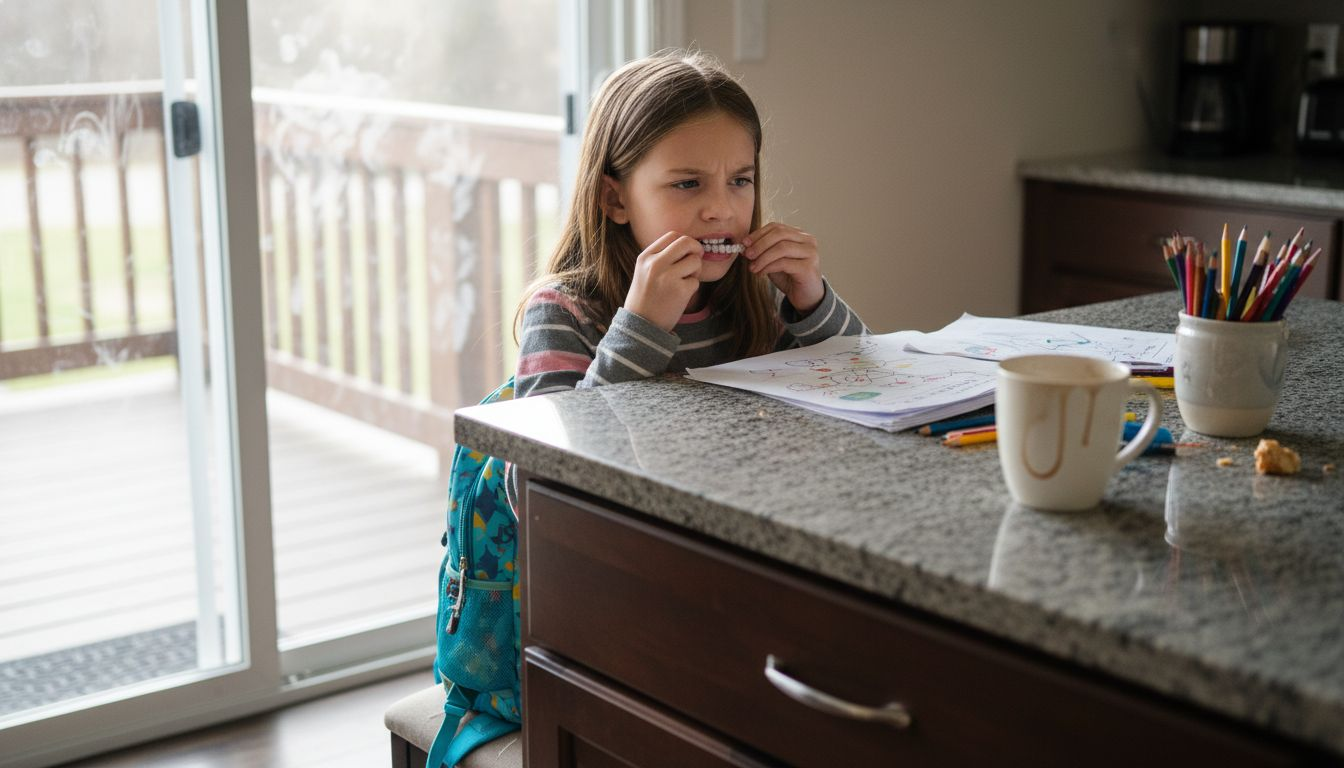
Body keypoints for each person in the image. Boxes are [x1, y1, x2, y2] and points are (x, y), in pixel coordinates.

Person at [513, 49, 868, 400]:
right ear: (615, 200)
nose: (721, 209)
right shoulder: (564, 314)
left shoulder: (765, 298)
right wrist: (641, 330)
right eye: (687, 184)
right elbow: (540, 457)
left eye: (740, 181)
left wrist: (812, 303)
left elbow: (873, 382)